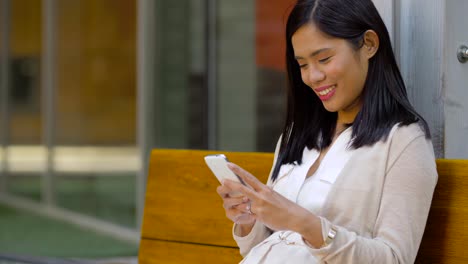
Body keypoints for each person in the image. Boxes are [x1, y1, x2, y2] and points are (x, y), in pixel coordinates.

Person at [216, 0, 438, 263]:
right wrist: (248, 220)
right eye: (302, 64)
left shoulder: (403, 141)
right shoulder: (298, 134)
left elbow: (394, 258)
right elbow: (266, 246)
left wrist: (307, 225)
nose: (313, 76)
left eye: (324, 59)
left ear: (369, 44)